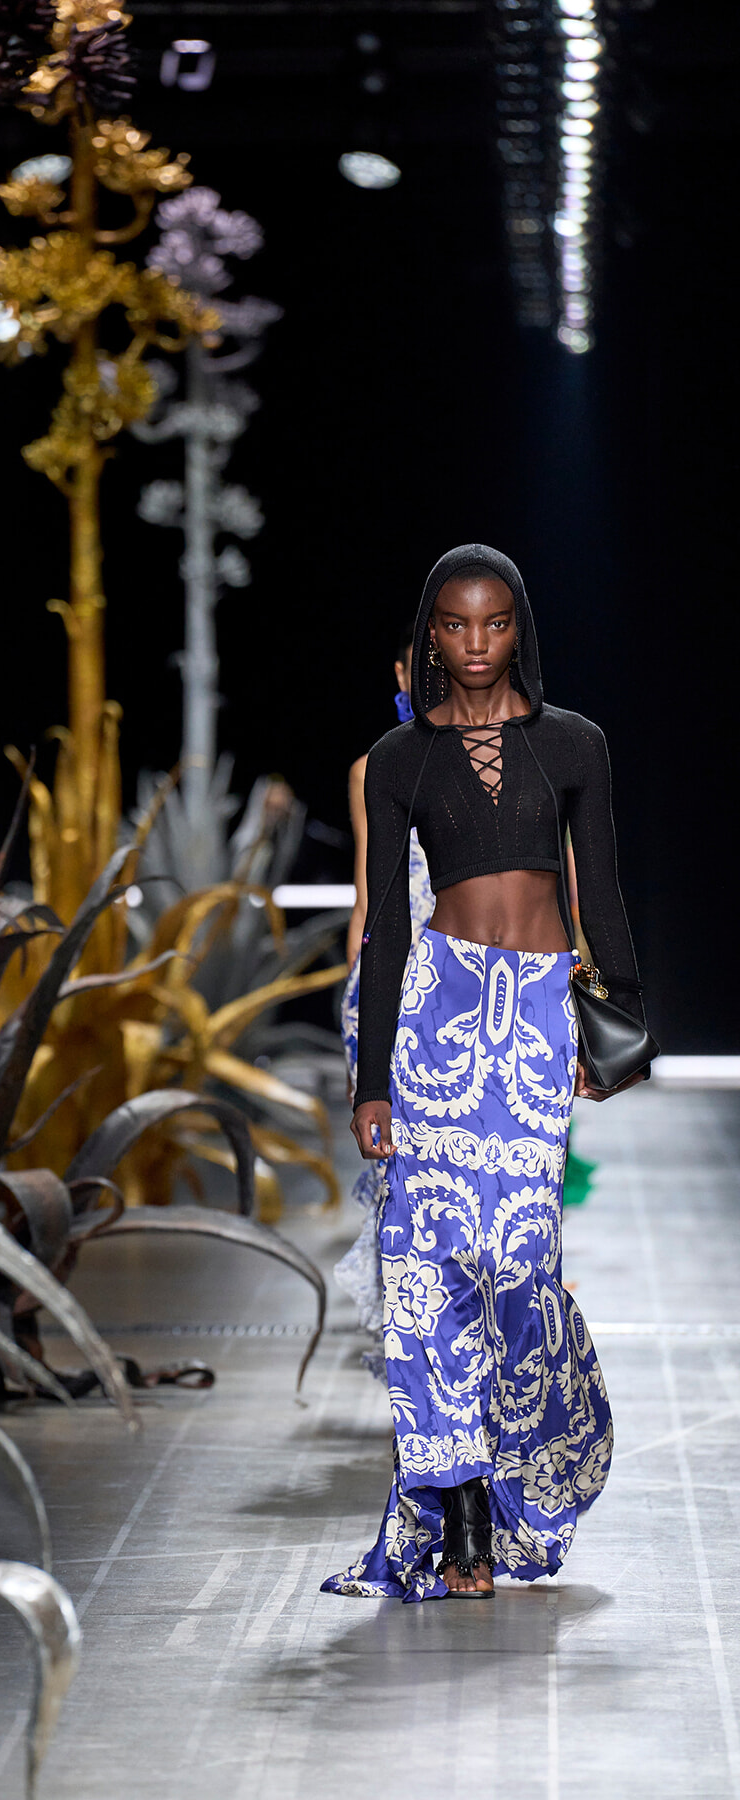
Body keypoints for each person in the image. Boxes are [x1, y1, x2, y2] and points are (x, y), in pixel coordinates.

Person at [321, 543, 647, 1603]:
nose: (472, 646)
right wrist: (371, 1082)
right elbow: (383, 937)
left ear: (520, 629)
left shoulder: (575, 745)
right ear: (428, 636)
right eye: (453, 627)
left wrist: (622, 1026)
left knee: (519, 1269)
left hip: (539, 1023)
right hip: (434, 1018)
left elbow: (599, 895)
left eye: (493, 624)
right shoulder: (399, 761)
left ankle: (531, 1467)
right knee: (426, 1275)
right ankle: (461, 1512)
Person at [335, 629, 434, 1371]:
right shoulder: (373, 769)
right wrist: (356, 1011)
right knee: (395, 1171)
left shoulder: (502, 756)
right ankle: (411, 1332)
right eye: (418, 662)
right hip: (394, 986)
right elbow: (370, 899)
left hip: (468, 982)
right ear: (398, 670)